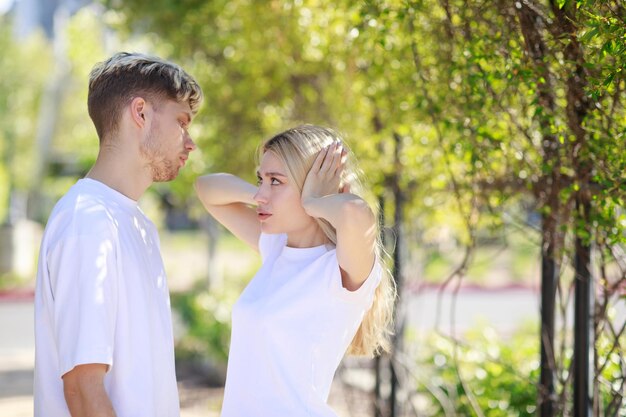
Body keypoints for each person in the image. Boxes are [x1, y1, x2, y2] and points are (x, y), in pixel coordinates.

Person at [34, 52, 203, 417]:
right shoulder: (88, 221)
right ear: (140, 113)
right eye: (182, 122)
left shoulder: (136, 224)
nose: (190, 143)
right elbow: (82, 388)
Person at [195, 124, 396, 416]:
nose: (264, 192)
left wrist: (313, 201)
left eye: (277, 181)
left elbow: (356, 214)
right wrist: (263, 193)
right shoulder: (276, 247)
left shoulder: (339, 269)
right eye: (261, 178)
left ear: (319, 187)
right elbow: (206, 187)